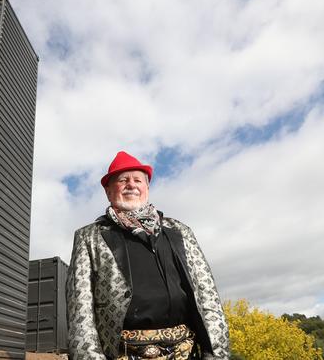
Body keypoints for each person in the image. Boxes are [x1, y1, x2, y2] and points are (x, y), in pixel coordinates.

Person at [66, 151, 229, 359]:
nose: (131, 185)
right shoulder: (89, 237)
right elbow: (80, 311)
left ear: (147, 188)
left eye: (137, 180)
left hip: (185, 352)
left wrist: (215, 353)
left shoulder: (180, 230)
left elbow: (208, 297)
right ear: (108, 191)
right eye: (123, 180)